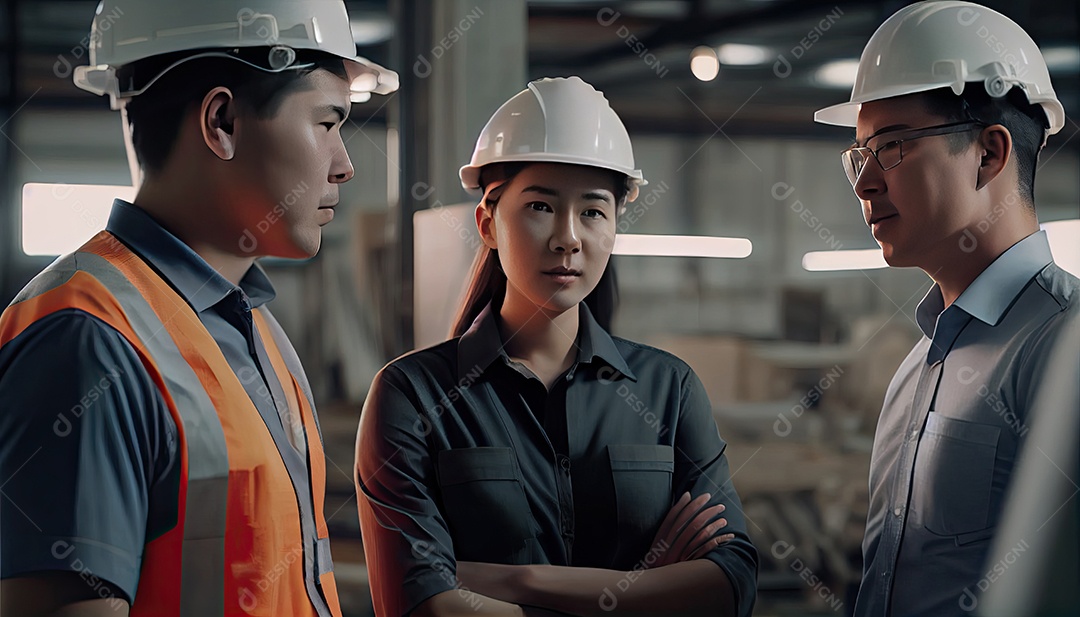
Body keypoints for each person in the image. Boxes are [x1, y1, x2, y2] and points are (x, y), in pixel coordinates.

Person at [0, 1, 397, 615]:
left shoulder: (252, 325)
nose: (344, 166)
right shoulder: (87, 340)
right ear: (223, 122)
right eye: (327, 123)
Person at [355, 76, 758, 617]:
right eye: (541, 206)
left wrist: (519, 581)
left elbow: (730, 585)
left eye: (593, 211)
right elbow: (422, 605)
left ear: (614, 228)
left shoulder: (669, 389)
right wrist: (640, 592)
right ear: (488, 223)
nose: (568, 236)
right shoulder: (413, 396)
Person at [813, 2, 1077, 615]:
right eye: (860, 154)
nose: (864, 183)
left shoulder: (1065, 350)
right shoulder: (917, 368)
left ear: (989, 153)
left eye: (894, 145)